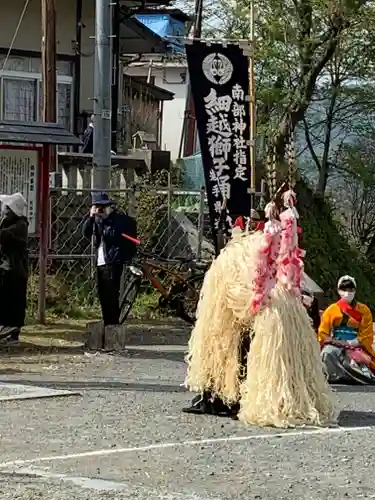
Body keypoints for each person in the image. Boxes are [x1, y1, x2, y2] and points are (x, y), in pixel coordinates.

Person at [82, 192, 137, 326]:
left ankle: (112, 324)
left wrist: (105, 219)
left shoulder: (116, 221)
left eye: (104, 207)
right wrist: (91, 218)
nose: (101, 210)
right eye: (98, 207)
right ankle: (108, 322)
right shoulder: (97, 220)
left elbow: (112, 236)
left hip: (112, 261)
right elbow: (86, 233)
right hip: (101, 261)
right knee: (103, 294)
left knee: (111, 295)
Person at [318, 275, 375, 384]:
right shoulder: (332, 309)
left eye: (350, 290)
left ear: (355, 291)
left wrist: (350, 343)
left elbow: (367, 335)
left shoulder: (364, 310)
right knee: (327, 353)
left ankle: (355, 378)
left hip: (356, 345)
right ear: (339, 291)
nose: (347, 293)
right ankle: (333, 377)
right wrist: (332, 341)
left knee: (361, 360)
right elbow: (323, 332)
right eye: (344, 290)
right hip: (335, 343)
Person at [0, 193, 29, 345]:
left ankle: (13, 333)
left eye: (6, 208)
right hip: (7, 267)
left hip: (15, 269)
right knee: (7, 301)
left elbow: (3, 236)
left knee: (14, 301)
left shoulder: (20, 226)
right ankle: (8, 331)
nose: (4, 210)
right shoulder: (9, 223)